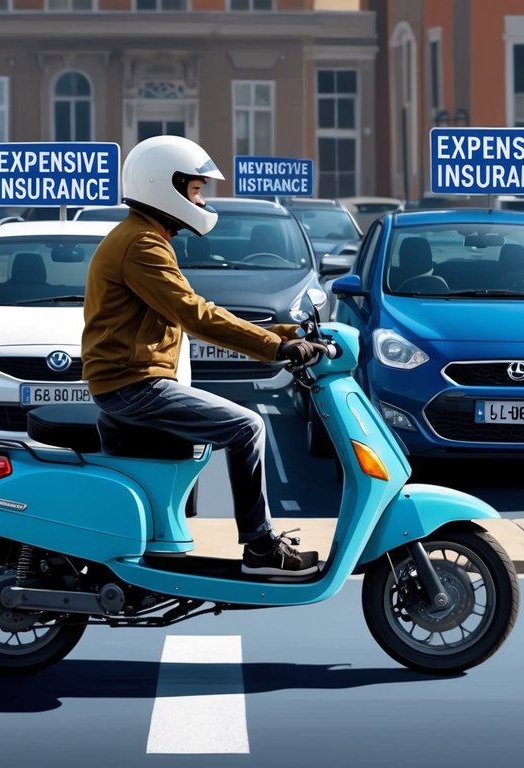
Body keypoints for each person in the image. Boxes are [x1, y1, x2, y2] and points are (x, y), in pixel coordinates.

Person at [81, 135, 330, 578]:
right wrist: (276, 347)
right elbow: (195, 314)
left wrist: (287, 332)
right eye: (195, 190)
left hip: (130, 381)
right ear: (165, 187)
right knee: (247, 426)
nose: (200, 199)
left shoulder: (142, 237)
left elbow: (194, 308)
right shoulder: (141, 245)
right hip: (133, 386)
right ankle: (259, 548)